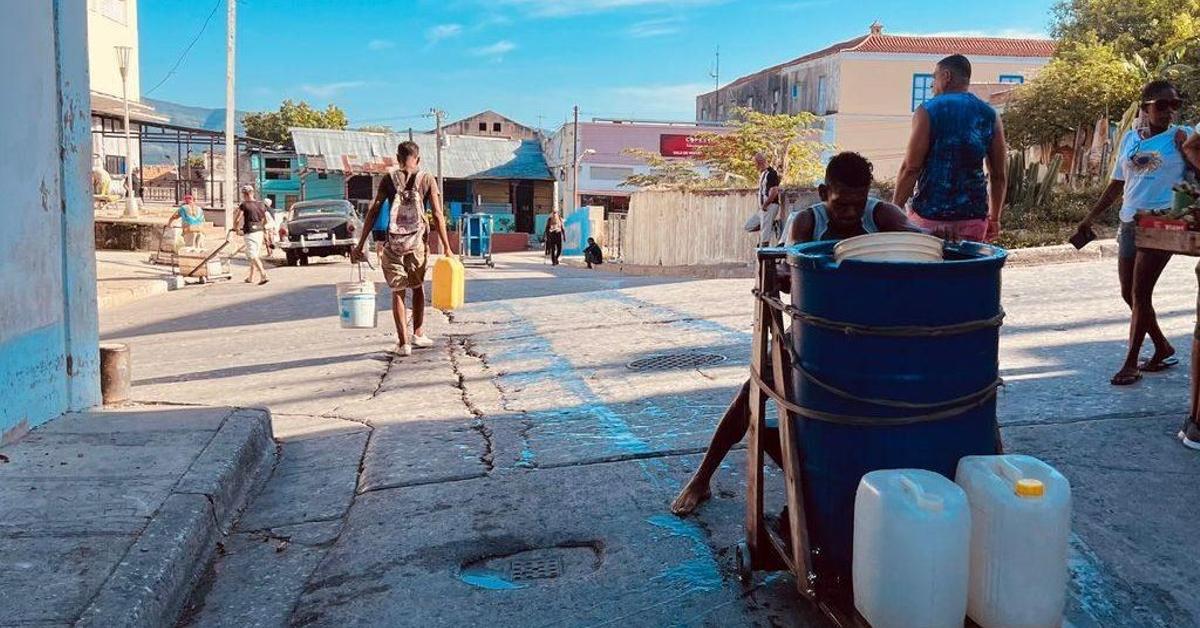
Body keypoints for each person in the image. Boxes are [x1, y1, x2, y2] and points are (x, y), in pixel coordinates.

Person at [672, 152, 915, 515]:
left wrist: (933, 235)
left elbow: (918, 242)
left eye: (857, 203)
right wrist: (786, 273)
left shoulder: (882, 216)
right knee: (753, 391)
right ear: (822, 193)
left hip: (872, 338)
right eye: (841, 203)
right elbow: (785, 268)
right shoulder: (805, 222)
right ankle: (702, 477)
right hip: (812, 336)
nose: (850, 212)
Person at [1076, 80, 1195, 386]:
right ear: (1145, 107)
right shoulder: (1130, 138)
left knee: (1141, 293)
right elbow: (1117, 182)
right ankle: (1163, 347)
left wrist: (1188, 150)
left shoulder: (1182, 136)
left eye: (1174, 105)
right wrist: (1089, 218)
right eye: (1161, 105)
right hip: (1129, 221)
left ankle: (1130, 363)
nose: (1169, 111)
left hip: (1161, 224)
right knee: (1128, 293)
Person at [352, 141, 454, 357]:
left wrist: (361, 245)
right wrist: (447, 247)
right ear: (418, 158)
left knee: (398, 291)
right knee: (417, 287)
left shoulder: (389, 179)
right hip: (417, 244)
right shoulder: (427, 179)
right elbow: (436, 214)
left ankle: (403, 343)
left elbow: (373, 210)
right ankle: (418, 333)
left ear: (397, 158)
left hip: (394, 244)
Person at [893, 54, 1008, 242]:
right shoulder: (990, 115)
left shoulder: (928, 110)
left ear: (946, 76)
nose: (932, 86)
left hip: (930, 219)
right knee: (965, 270)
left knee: (926, 270)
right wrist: (995, 219)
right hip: (973, 218)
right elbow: (998, 175)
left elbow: (911, 168)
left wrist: (895, 211)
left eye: (934, 78)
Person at [232, 185, 270, 285]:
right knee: (255, 254)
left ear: (244, 194)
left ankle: (263, 274)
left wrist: (236, 229)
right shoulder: (261, 204)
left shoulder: (244, 205)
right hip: (260, 231)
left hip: (250, 231)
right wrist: (260, 226)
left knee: (252, 255)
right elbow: (265, 220)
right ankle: (251, 277)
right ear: (253, 193)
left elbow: (237, 219)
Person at [748, 152, 783, 246]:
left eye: (755, 163)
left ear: (760, 162)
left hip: (769, 206)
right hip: (763, 208)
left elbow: (775, 191)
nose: (754, 165)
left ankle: (765, 255)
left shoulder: (771, 173)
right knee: (749, 226)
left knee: (764, 236)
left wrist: (766, 204)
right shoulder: (763, 174)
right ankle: (772, 224)